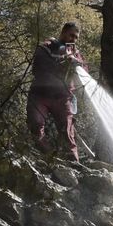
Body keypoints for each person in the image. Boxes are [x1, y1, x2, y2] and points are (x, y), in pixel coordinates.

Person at [27, 22, 87, 161]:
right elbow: (38, 66)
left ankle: (73, 163)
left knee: (67, 130)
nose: (73, 39)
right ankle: (48, 157)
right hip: (40, 94)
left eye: (76, 37)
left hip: (63, 97)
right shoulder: (47, 46)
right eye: (71, 35)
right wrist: (62, 64)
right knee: (35, 124)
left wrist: (76, 64)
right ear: (63, 32)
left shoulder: (76, 53)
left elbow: (84, 72)